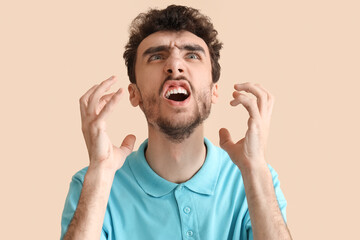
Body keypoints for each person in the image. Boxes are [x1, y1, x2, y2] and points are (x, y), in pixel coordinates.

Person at [60, 5, 292, 240]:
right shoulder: (93, 184)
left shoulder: (254, 178)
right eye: (156, 56)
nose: (175, 65)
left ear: (214, 91)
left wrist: (255, 170)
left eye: (192, 55)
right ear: (134, 93)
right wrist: (99, 174)